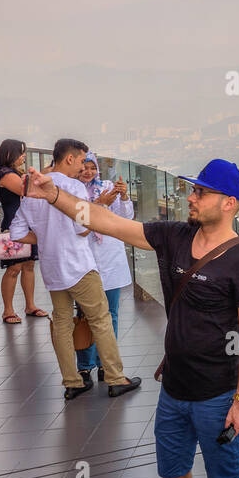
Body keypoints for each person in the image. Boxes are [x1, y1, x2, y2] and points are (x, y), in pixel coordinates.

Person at [25, 158, 239, 478]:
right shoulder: (175, 236)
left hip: (217, 395)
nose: (191, 197)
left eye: (201, 191)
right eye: (192, 189)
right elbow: (107, 221)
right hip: (172, 390)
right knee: (172, 474)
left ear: (228, 202)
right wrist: (54, 194)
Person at [11, 138, 141, 401]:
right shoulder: (75, 188)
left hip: (52, 268)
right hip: (80, 266)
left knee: (61, 322)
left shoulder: (31, 192)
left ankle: (72, 382)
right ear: (70, 158)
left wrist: (47, 237)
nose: (83, 167)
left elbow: (17, 232)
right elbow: (82, 228)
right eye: (82, 160)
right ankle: (115, 378)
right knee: (101, 320)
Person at [74, 153, 134, 383]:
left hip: (110, 256)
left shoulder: (107, 187)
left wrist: (124, 195)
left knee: (111, 314)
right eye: (84, 168)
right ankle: (85, 365)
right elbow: (78, 223)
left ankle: (105, 364)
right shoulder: (73, 193)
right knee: (86, 314)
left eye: (92, 168)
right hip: (84, 260)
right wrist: (100, 204)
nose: (88, 172)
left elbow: (125, 217)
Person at [0, 139, 48, 324]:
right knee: (14, 267)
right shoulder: (4, 173)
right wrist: (47, 173)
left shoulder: (15, 172)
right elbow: (26, 190)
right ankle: (8, 310)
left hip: (27, 223)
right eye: (21, 152)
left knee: (29, 265)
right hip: (14, 223)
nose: (23, 156)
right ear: (10, 154)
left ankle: (30, 305)